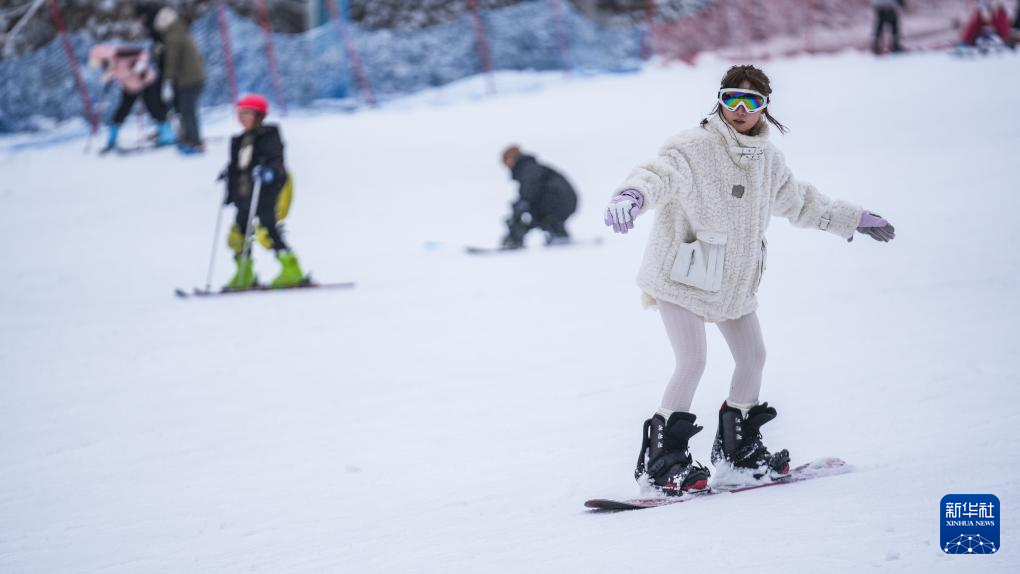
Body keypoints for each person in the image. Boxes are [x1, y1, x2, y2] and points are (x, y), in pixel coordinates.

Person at [604, 65, 895, 496]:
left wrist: (851, 218)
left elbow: (799, 202)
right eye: (730, 99)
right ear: (718, 101)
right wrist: (634, 194)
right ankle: (663, 462)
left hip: (734, 283)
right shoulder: (693, 147)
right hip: (681, 275)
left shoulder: (769, 161)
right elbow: (658, 173)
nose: (740, 110)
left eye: (751, 102)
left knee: (753, 356)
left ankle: (738, 452)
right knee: (692, 361)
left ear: (765, 108)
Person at [221, 94, 305, 290]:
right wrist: (228, 175)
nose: (242, 118)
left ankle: (291, 269)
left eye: (247, 113)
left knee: (268, 230)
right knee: (239, 234)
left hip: (264, 194)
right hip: (243, 195)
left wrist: (269, 171)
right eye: (240, 114)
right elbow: (237, 165)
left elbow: (276, 160)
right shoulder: (239, 140)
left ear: (259, 115)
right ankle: (244, 272)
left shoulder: (269, 135)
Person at [88, 43, 175, 152]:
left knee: (154, 109)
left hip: (146, 84)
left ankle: (168, 137)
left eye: (103, 62)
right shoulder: (108, 65)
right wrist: (107, 78)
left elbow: (143, 52)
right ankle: (112, 140)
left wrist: (140, 64)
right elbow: (114, 72)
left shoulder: (122, 53)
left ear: (106, 57)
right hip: (129, 88)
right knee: (121, 112)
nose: (102, 65)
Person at [150, 5, 206, 153]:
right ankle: (189, 139)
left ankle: (195, 142)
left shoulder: (173, 37)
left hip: (189, 80)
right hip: (194, 78)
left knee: (187, 112)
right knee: (186, 111)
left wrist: (167, 80)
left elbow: (172, 61)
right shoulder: (181, 31)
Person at [500, 145, 578, 249]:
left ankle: (515, 240)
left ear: (512, 159)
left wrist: (521, 205)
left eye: (506, 161)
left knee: (531, 214)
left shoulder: (527, 168)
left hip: (558, 201)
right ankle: (558, 233)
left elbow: (530, 187)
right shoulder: (529, 166)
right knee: (538, 215)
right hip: (565, 201)